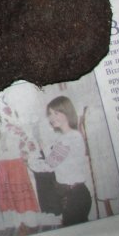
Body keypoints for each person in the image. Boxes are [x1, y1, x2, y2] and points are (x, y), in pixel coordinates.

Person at [24, 95, 91, 226]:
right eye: (50, 114)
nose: (51, 117)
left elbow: (49, 165)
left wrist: (29, 160)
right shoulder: (65, 137)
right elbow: (53, 155)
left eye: (56, 113)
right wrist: (39, 148)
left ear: (67, 113)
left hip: (75, 196)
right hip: (71, 194)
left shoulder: (69, 138)